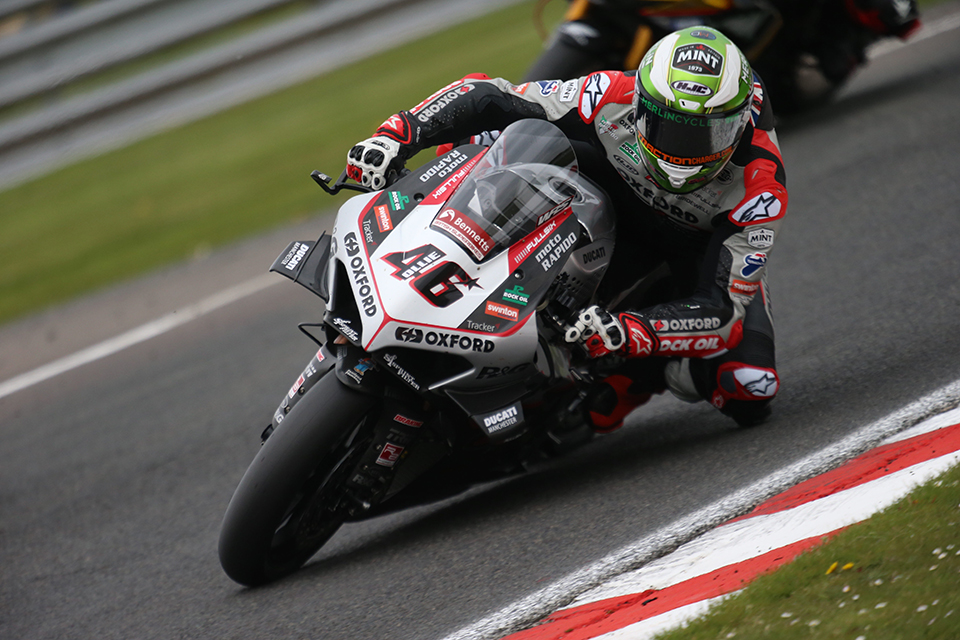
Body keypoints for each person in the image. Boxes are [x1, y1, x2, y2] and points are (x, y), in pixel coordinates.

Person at [345, 26, 786, 429]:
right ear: (641, 104)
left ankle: (633, 379)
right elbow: (491, 93)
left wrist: (634, 331)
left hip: (684, 253)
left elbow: (723, 313)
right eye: (667, 126)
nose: (680, 153)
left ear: (738, 123)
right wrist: (397, 134)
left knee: (749, 385)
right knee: (489, 134)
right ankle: (429, 237)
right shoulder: (610, 92)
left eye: (701, 136)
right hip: (603, 187)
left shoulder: (761, 186)